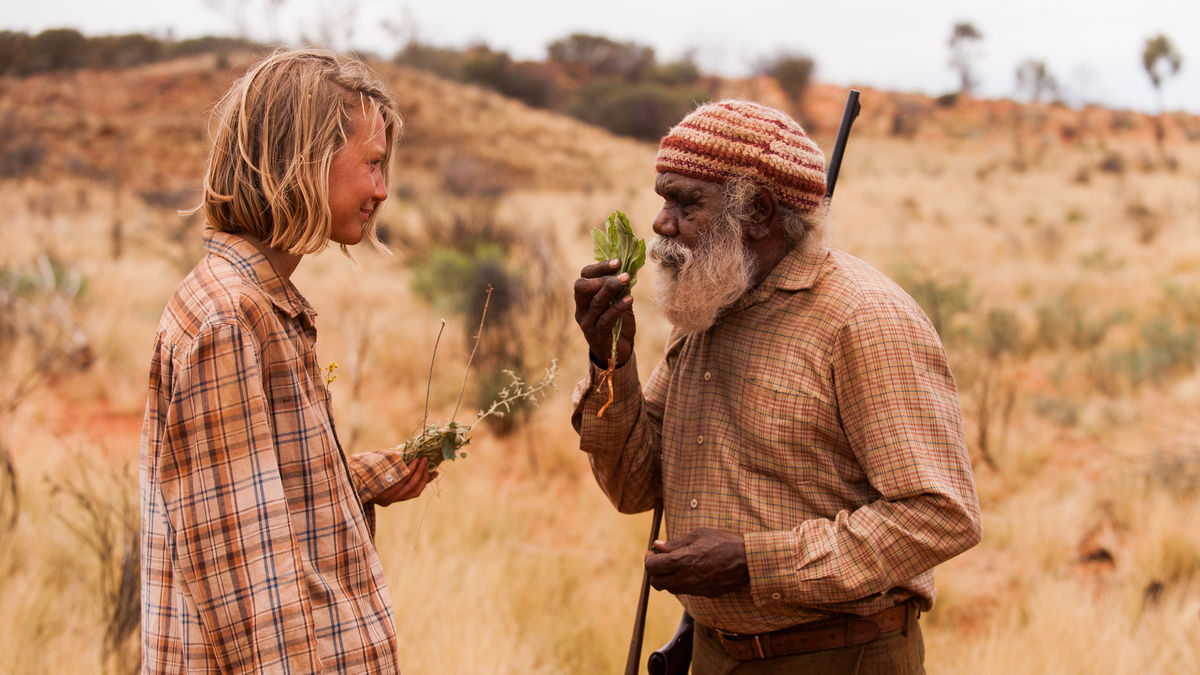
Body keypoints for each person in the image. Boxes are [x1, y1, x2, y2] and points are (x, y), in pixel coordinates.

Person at [572, 100, 982, 673]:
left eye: (686, 204)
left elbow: (940, 515)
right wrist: (609, 359)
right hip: (713, 654)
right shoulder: (707, 306)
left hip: (839, 657)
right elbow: (635, 488)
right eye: (663, 200)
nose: (662, 224)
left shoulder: (863, 319)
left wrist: (752, 561)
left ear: (758, 212)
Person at [139, 48, 435, 673]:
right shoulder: (230, 320)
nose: (381, 190)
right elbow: (250, 592)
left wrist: (355, 480)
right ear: (303, 162)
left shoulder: (254, 304)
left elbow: (258, 498)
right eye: (372, 164)